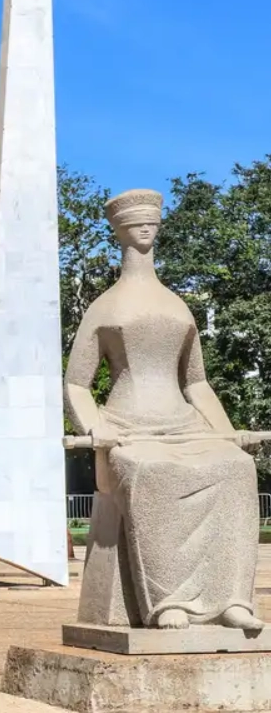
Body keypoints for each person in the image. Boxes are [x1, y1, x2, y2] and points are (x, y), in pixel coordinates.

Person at [65, 188, 261, 630]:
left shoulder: (177, 306)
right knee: (153, 474)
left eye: (151, 222)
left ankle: (231, 599)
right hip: (129, 429)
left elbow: (197, 383)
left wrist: (227, 432)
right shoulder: (104, 307)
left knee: (236, 468)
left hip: (184, 424)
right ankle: (169, 601)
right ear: (120, 232)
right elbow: (76, 384)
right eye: (136, 224)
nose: (146, 229)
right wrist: (96, 429)